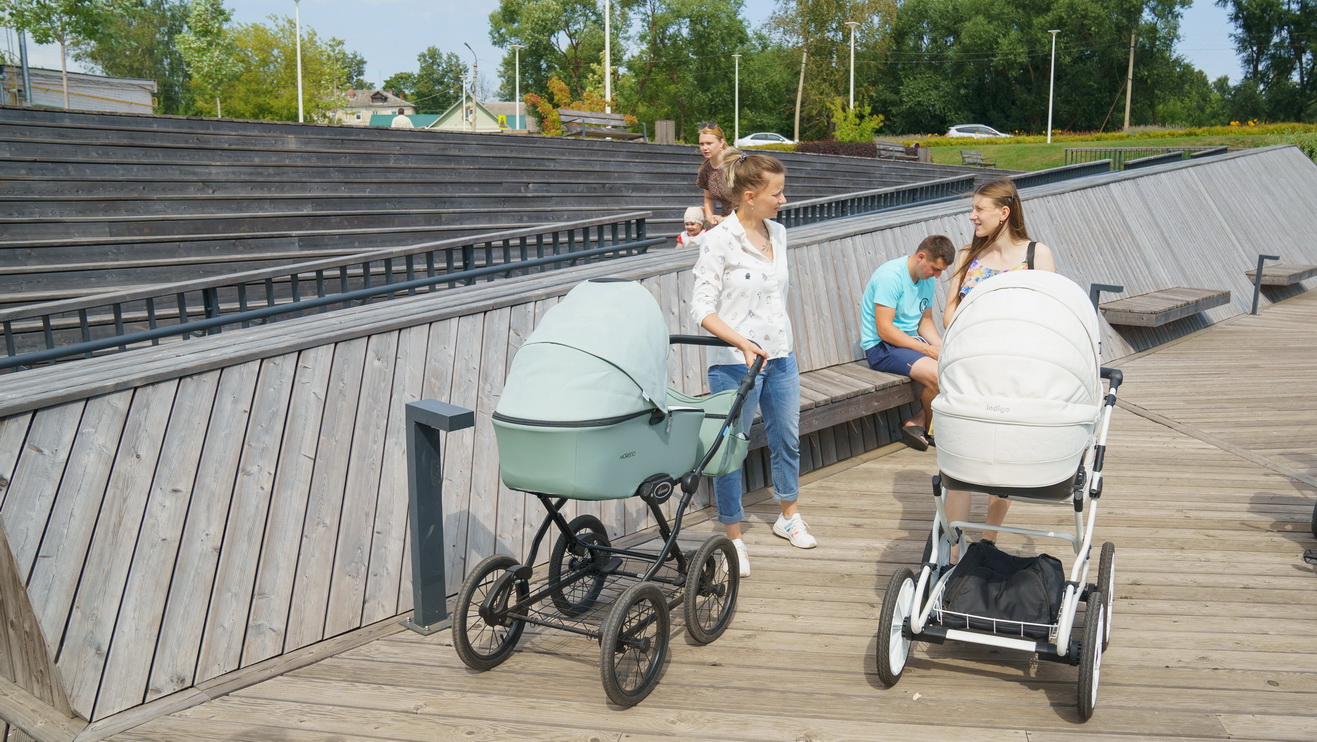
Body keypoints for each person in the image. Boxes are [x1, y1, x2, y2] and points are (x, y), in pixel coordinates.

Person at [690, 148, 815, 578]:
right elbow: (701, 309)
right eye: (776, 193)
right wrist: (742, 342)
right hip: (734, 363)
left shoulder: (778, 234)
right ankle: (733, 537)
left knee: (788, 439)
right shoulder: (717, 240)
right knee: (731, 451)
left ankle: (788, 516)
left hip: (781, 356)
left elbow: (776, 299)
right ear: (747, 196)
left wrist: (772, 341)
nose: (783, 200)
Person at [942, 178, 1055, 551]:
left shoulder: (1037, 255)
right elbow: (949, 315)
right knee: (960, 464)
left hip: (1016, 373)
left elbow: (1049, 314)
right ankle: (953, 549)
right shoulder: (966, 256)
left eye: (979, 209)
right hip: (972, 370)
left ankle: (988, 538)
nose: (971, 216)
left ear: (1004, 213)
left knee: (1001, 462)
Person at [859, 235, 955, 452]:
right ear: (921, 257)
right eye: (935, 269)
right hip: (882, 347)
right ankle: (935, 435)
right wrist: (926, 349)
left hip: (908, 342)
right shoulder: (890, 276)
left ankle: (918, 422)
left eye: (941, 271)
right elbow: (885, 330)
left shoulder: (927, 279)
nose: (937, 276)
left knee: (955, 365)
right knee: (938, 375)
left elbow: (926, 322)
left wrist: (942, 347)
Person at [695, 122, 734, 226]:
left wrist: (727, 219)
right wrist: (709, 216)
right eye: (701, 144)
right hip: (725, 223)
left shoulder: (735, 165)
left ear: (721, 143)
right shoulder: (705, 170)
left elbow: (749, 198)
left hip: (747, 221)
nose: (704, 148)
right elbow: (708, 197)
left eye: (709, 143)